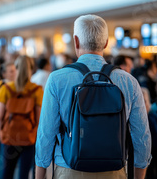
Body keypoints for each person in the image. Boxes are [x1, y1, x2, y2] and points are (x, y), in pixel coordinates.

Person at [35, 14, 151, 179]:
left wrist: (39, 175)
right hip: (114, 170)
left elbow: (46, 134)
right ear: (105, 43)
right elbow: (142, 136)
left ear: (76, 41)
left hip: (68, 169)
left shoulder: (56, 79)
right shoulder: (128, 81)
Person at [0, 56, 42, 179]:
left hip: (9, 136)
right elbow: (39, 119)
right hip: (29, 136)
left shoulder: (6, 89)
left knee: (6, 171)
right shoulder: (37, 90)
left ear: (16, 69)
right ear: (31, 69)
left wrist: (1, 131)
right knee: (24, 172)